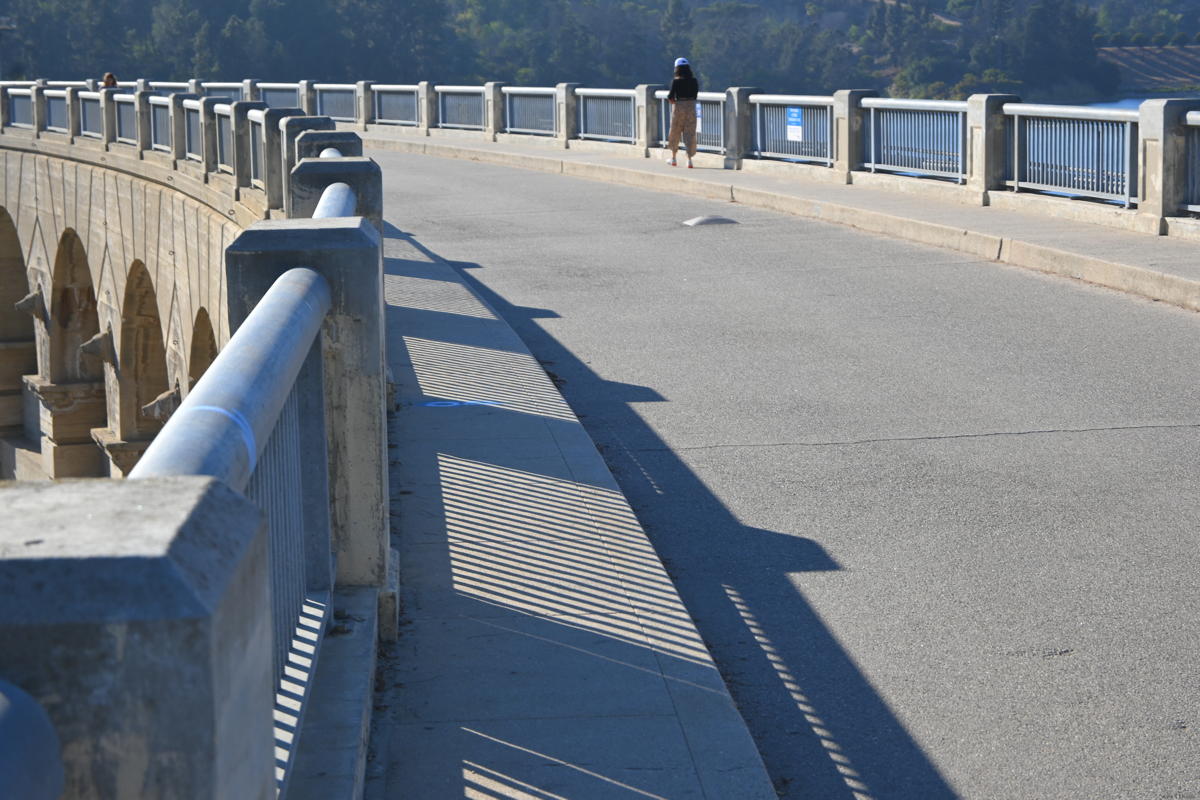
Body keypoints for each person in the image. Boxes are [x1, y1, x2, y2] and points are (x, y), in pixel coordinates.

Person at [666, 57, 699, 168]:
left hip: (679, 106)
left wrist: (674, 102)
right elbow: (695, 95)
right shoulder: (694, 81)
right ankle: (689, 160)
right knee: (690, 133)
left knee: (675, 131)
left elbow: (670, 96)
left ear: (677, 68)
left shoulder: (676, 81)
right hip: (691, 107)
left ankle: (673, 158)